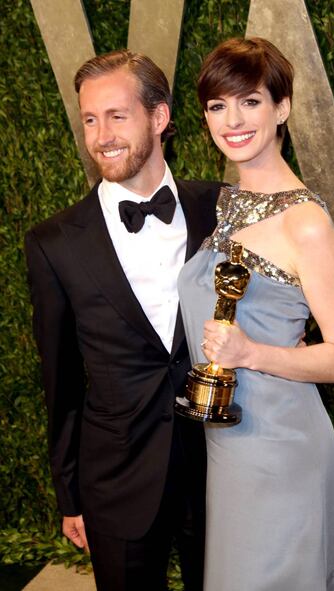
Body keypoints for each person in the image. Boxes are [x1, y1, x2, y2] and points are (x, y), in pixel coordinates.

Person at [24, 49, 223, 591]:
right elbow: (59, 381)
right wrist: (70, 495)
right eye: (90, 119)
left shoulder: (222, 209)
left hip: (222, 467)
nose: (101, 135)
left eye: (117, 115)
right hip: (117, 476)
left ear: (158, 118)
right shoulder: (53, 243)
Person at [177, 37, 334, 591]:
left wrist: (252, 353)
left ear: (281, 108)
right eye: (217, 105)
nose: (232, 120)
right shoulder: (225, 205)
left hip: (282, 449)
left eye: (250, 101)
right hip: (229, 444)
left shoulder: (305, 222)